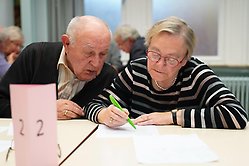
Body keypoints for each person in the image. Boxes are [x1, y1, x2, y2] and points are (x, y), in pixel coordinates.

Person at [84, 16, 248, 129]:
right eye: (154, 54)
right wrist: (104, 114)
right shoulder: (136, 70)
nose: (160, 64)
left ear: (184, 60)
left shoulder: (196, 73)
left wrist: (171, 117)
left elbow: (237, 115)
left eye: (171, 59)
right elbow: (93, 105)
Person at [0, 15, 117, 119]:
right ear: (66, 43)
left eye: (103, 54)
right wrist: (43, 110)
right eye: (88, 53)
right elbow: (2, 102)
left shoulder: (108, 77)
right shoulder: (36, 56)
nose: (96, 63)